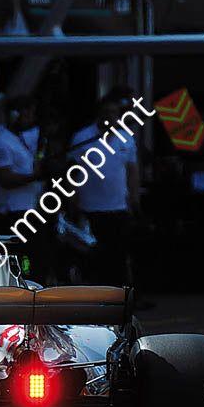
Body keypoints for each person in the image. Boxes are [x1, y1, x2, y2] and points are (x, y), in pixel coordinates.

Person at [68, 98, 139, 286]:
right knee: (94, 254)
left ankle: (120, 293)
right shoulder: (82, 137)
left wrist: (134, 197)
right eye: (106, 112)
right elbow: (72, 171)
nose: (110, 116)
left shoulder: (126, 138)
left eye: (114, 112)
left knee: (119, 254)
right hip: (89, 207)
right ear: (99, 114)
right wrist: (73, 199)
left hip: (118, 207)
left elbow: (132, 170)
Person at [0, 96, 46, 276]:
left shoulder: (20, 139)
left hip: (30, 207)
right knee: (19, 258)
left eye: (32, 113)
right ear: (14, 115)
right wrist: (35, 177)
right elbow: (5, 179)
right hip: (13, 212)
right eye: (26, 112)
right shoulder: (2, 141)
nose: (30, 117)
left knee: (34, 257)